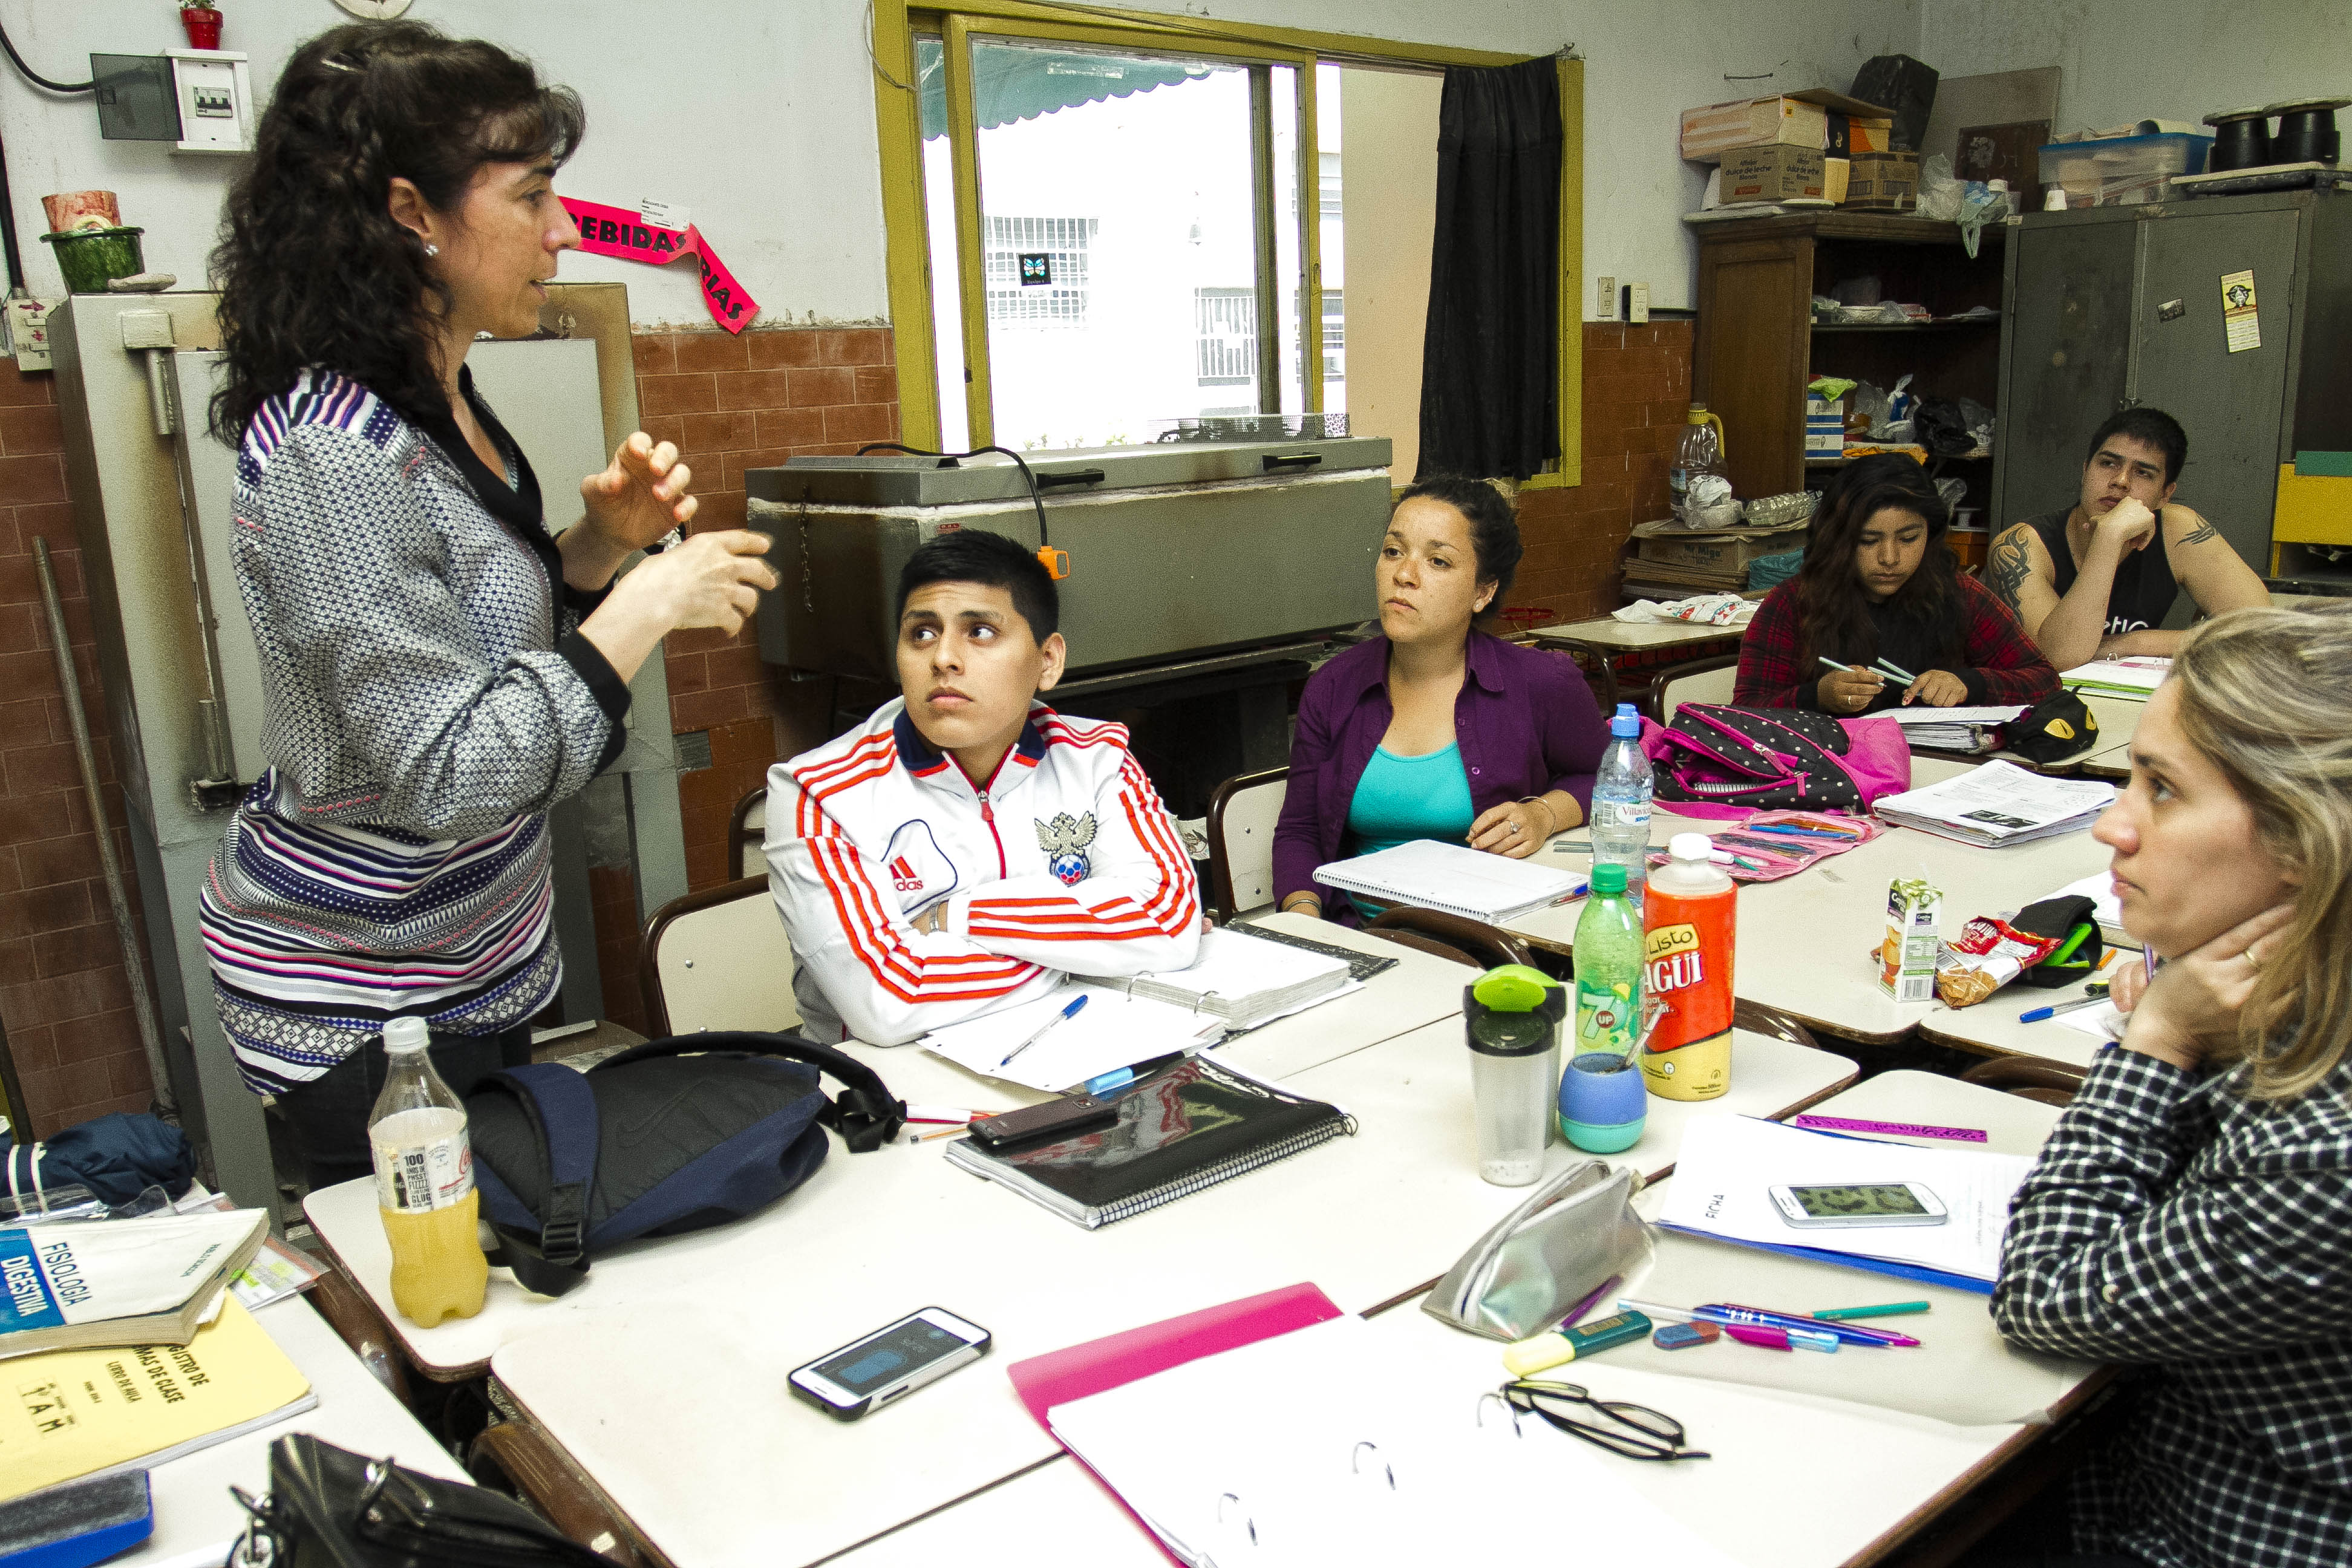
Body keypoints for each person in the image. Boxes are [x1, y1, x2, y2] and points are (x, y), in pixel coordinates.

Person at [198, 23, 778, 1188]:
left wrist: (593, 553)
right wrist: (648, 599)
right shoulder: (331, 449)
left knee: (515, 1239)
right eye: (533, 196)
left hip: (472, 950)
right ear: (414, 214)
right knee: (431, 1296)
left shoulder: (434, 396)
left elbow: (476, 644)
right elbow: (447, 769)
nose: (564, 231)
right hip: (363, 992)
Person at [1987, 601, 2352, 1568]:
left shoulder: (2324, 1154)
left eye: (2163, 790)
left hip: (2203, 1534)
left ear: (2303, 839)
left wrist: (2156, 1040)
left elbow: (2046, 1290)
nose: (2115, 821)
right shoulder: (2306, 1014)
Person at [767, 530, 1200, 1045]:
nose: (943, 658)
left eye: (980, 632)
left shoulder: (1096, 758)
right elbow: (889, 1000)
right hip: (887, 1090)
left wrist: (953, 917)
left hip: (1075, 1045)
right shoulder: (817, 793)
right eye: (922, 634)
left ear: (1048, 661)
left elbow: (1167, 921)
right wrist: (1089, 950)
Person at [1273, 476, 1607, 924]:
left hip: (1495, 942)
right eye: (1394, 551)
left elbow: (1610, 779)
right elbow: (1301, 830)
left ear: (1483, 591)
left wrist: (1544, 815)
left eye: (1437, 561)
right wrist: (1305, 921)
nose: (1404, 575)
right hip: (1362, 936)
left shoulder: (1542, 683)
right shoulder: (1334, 687)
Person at [1736, 454, 2059, 714]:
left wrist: (1969, 684)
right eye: (1868, 540)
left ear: (1930, 534)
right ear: (1838, 539)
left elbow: (2044, 679)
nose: (1889, 558)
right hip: (1833, 773)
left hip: (1941, 769)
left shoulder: (1960, 593)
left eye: (1908, 539)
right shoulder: (1794, 602)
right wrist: (1816, 696)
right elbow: (1743, 712)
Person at [1987, 408, 2269, 671]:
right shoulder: (2019, 546)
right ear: (2085, 471)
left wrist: (2131, 643)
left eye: (2143, 472)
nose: (2120, 481)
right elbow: (2058, 659)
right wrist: (2109, 539)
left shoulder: (2179, 530)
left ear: (2165, 494)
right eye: (2108, 463)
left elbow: (2263, 632)